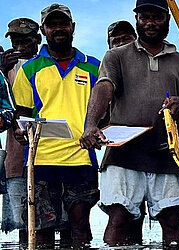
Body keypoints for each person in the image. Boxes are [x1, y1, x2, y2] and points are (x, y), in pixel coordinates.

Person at [79, 0, 179, 246]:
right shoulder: (116, 55)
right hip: (123, 153)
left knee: (172, 221)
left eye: (157, 17)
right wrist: (91, 125)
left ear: (167, 19)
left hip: (167, 153)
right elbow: (104, 87)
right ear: (137, 19)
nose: (150, 23)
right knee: (119, 218)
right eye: (144, 17)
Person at [12, 3, 100, 247]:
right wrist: (20, 131)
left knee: (80, 230)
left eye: (63, 24)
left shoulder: (94, 65)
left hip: (81, 158)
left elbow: (105, 114)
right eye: (52, 24)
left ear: (73, 28)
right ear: (43, 29)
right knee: (41, 231)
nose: (59, 29)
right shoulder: (29, 69)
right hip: (40, 159)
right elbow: (21, 113)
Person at [0, 17, 41, 243]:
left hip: (50, 154)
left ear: (37, 39)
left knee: (60, 219)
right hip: (16, 158)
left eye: (25, 40)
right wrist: (1, 71)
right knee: (24, 222)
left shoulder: (46, 64)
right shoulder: (6, 68)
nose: (19, 46)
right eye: (15, 41)